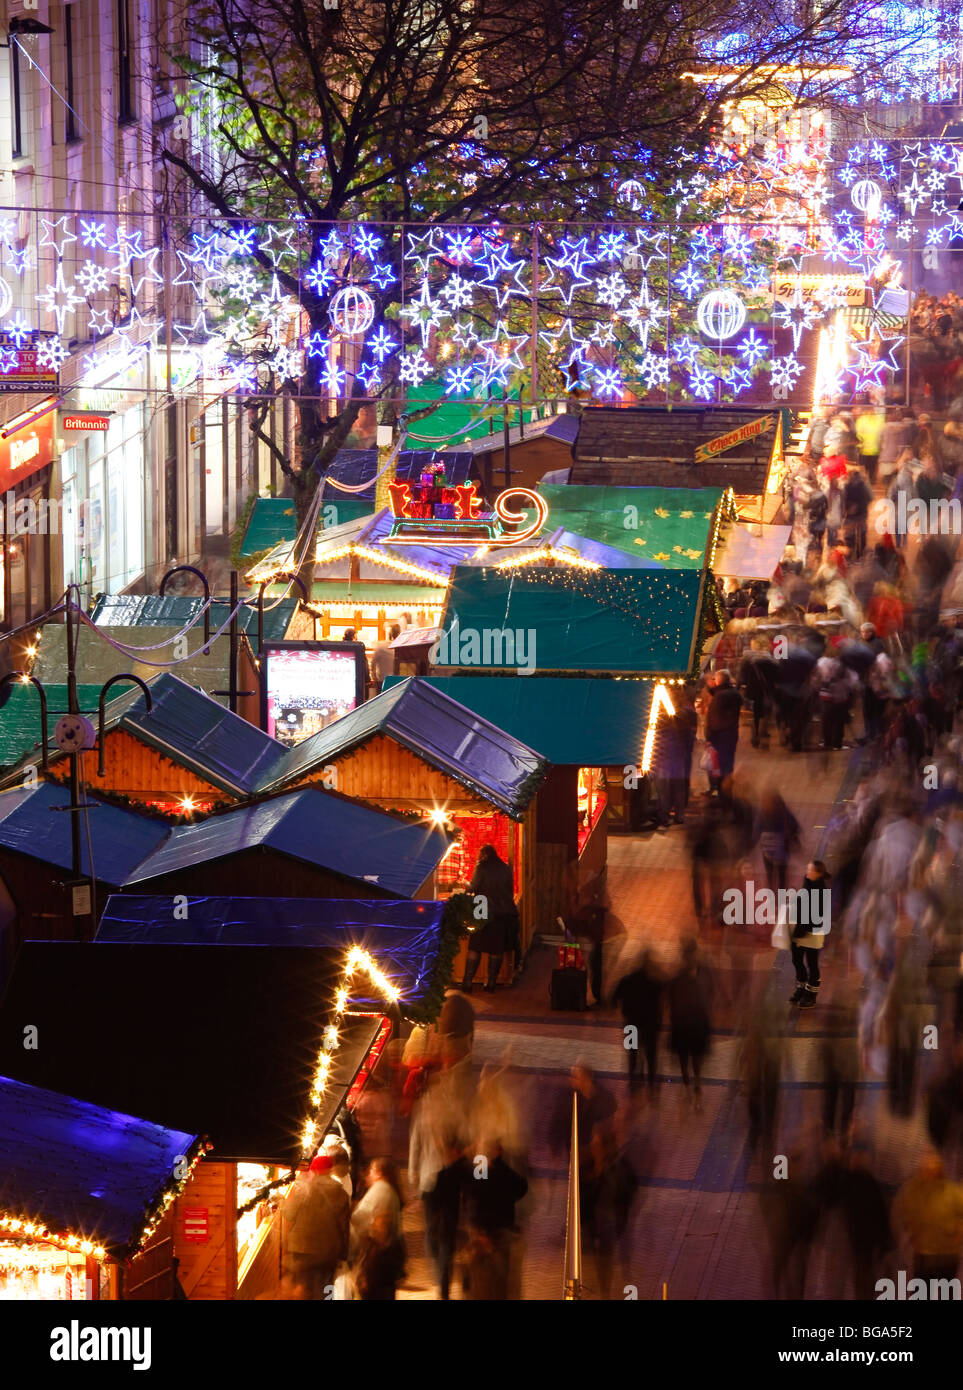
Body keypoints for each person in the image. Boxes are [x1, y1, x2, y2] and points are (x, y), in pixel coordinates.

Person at [280, 1152, 351, 1299]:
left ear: (315, 1170)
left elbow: (288, 1214)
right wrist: (343, 1253)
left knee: (303, 1286)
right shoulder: (341, 1193)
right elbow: (344, 1226)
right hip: (329, 1251)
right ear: (330, 1170)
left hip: (303, 1250)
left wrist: (282, 1202)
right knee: (327, 1286)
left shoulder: (304, 1190)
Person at [891, 1152, 963, 1283]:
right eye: (926, 1170)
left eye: (932, 1169)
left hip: (947, 1255)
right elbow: (900, 1215)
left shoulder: (953, 1192)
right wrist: (907, 1233)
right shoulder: (911, 1191)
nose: (929, 1173)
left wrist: (959, 1232)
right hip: (924, 1254)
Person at [464, 843, 517, 992]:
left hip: (482, 911)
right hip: (502, 913)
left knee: (475, 946)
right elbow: (509, 891)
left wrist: (464, 883)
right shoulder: (506, 869)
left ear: (484, 855)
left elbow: (473, 887)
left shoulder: (481, 867)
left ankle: (467, 983)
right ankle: (492, 983)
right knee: (496, 949)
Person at [668, 939, 713, 1109]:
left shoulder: (679, 978)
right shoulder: (701, 973)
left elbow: (671, 1001)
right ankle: (695, 1088)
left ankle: (691, 1089)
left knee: (685, 1062)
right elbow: (710, 995)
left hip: (684, 1026)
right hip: (694, 1026)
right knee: (693, 1061)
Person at [613, 951, 664, 1097]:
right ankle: (652, 1083)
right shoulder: (654, 982)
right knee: (651, 1054)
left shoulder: (627, 980)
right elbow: (664, 991)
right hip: (650, 1024)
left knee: (632, 1053)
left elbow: (614, 998)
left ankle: (633, 1081)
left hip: (631, 1023)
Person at [789, 860, 831, 1009]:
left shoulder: (822, 891)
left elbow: (817, 915)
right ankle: (801, 987)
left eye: (810, 870)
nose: (807, 872)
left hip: (812, 931)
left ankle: (811, 994)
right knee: (796, 960)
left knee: (812, 963)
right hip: (799, 928)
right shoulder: (806, 882)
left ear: (818, 873)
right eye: (807, 869)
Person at [350, 1157, 403, 1252]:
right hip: (388, 1247)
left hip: (376, 1248)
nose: (368, 1174)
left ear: (379, 1174)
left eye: (371, 1170)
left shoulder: (380, 1189)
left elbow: (360, 1218)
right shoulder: (388, 1188)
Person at [753, 787, 800, 893]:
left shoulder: (768, 812)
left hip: (774, 850)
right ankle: (775, 898)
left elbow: (757, 829)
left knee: (775, 875)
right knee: (776, 875)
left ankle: (776, 899)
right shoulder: (777, 811)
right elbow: (795, 826)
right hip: (775, 849)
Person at [354, 1209, 406, 1300]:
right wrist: (362, 1278)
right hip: (370, 1291)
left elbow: (395, 1270)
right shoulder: (370, 1244)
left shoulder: (392, 1248)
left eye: (379, 1225)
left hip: (383, 1291)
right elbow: (362, 1264)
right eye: (374, 1225)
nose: (375, 1228)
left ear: (387, 1228)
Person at [704, 670, 742, 795]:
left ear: (719, 681)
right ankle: (726, 790)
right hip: (730, 734)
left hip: (719, 736)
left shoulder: (720, 697)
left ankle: (721, 792)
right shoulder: (733, 693)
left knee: (717, 765)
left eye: (715, 680)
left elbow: (714, 719)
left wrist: (709, 736)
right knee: (727, 764)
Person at [855, 404, 884, 483]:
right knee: (870, 468)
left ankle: (866, 484)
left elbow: (858, 433)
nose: (872, 411)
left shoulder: (862, 420)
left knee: (868, 469)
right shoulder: (878, 419)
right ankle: (868, 483)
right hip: (869, 449)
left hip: (869, 449)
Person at [370, 623, 400, 693]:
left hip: (382, 681)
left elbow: (373, 664)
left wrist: (374, 678)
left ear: (390, 633)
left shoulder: (381, 646)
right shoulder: (401, 647)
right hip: (398, 682)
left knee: (381, 702)